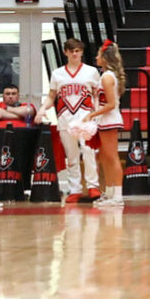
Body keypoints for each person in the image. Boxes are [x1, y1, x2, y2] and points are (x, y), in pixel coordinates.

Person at [36, 38, 101, 203]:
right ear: (65, 52)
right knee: (72, 156)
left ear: (82, 52)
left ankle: (93, 186)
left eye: (77, 50)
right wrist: (43, 109)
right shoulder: (58, 73)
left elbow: (96, 95)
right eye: (71, 51)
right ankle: (75, 189)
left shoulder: (91, 71)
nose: (74, 54)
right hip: (65, 118)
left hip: (85, 117)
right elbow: (52, 96)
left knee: (88, 152)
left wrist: (97, 115)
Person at [90, 40, 126, 207]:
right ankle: (110, 192)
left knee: (112, 157)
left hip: (109, 120)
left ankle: (117, 195)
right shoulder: (105, 75)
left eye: (98, 54)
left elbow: (111, 104)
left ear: (105, 58)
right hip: (104, 120)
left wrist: (91, 115)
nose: (96, 57)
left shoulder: (107, 76)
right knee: (104, 157)